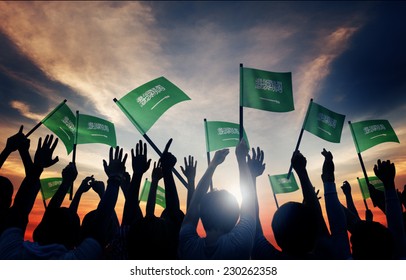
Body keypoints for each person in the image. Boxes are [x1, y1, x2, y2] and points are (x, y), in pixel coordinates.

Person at [179, 139, 256, 259]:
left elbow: (195, 202)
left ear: (201, 214)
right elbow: (250, 199)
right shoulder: (240, 244)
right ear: (235, 217)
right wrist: (241, 159)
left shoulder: (188, 245)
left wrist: (212, 165)